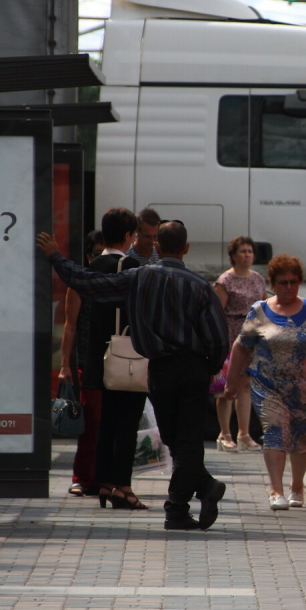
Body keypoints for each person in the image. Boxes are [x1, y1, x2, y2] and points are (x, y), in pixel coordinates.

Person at [37, 221, 229, 531]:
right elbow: (218, 337)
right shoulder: (200, 285)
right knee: (186, 439)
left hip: (159, 368)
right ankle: (195, 493)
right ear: (186, 248)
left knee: (174, 437)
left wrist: (56, 257)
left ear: (157, 247)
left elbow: (89, 282)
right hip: (193, 367)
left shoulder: (139, 277)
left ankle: (181, 506)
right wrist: (210, 367)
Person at [224, 254, 306, 511]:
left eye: (294, 282)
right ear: (272, 283)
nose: (289, 287)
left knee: (301, 437)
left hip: (304, 387)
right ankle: (275, 490)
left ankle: (296, 488)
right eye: (283, 282)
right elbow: (242, 347)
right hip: (268, 386)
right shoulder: (259, 311)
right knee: (275, 430)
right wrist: (231, 382)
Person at [61, 208, 150, 510]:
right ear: (128, 236)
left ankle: (103, 482)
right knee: (127, 424)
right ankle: (122, 486)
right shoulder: (132, 267)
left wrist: (66, 363)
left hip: (96, 358)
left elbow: (72, 321)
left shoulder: (91, 267)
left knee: (102, 424)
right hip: (126, 356)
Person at [213, 236, 267, 452]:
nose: (247, 255)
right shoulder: (225, 280)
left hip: (252, 337)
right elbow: (217, 311)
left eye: (250, 251)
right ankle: (224, 433)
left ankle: (243, 433)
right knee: (226, 386)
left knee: (246, 384)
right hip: (230, 336)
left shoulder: (258, 279)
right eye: (243, 251)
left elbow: (265, 307)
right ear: (233, 255)